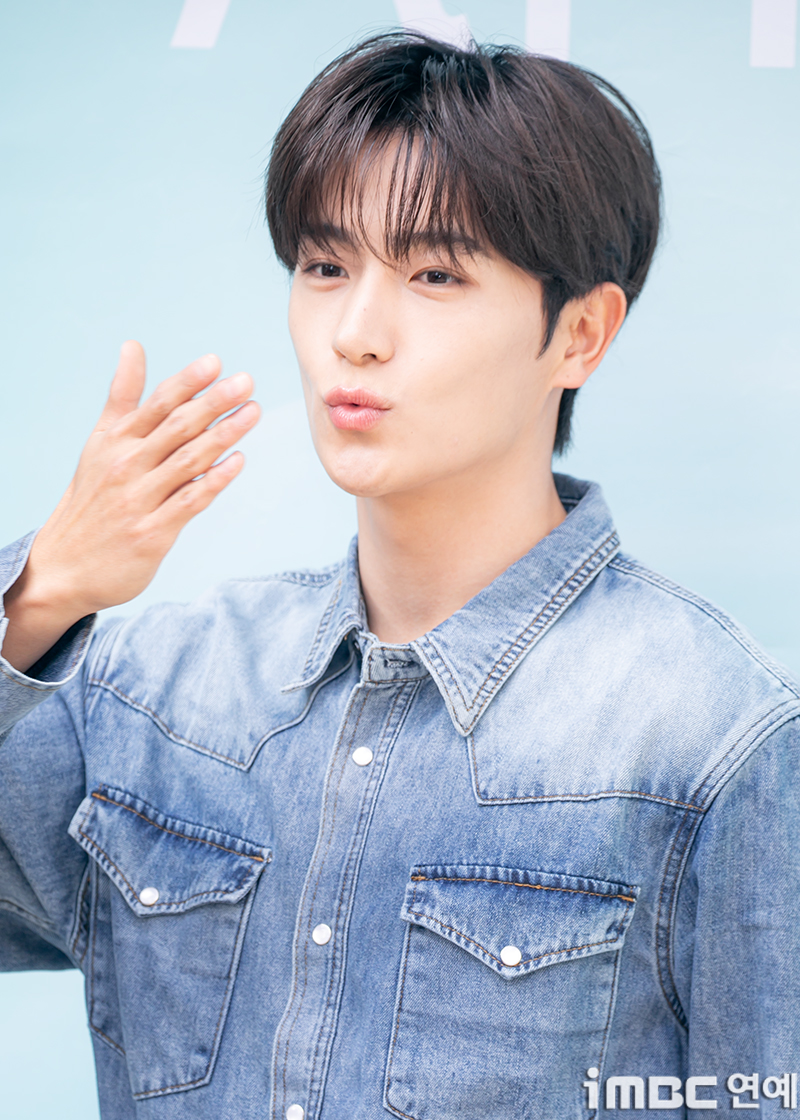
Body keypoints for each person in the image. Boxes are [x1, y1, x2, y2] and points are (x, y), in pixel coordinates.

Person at [1, 30, 798, 1120]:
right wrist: (40, 594)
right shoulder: (155, 692)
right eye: (325, 267)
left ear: (579, 334)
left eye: (434, 275)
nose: (356, 334)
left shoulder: (713, 738)